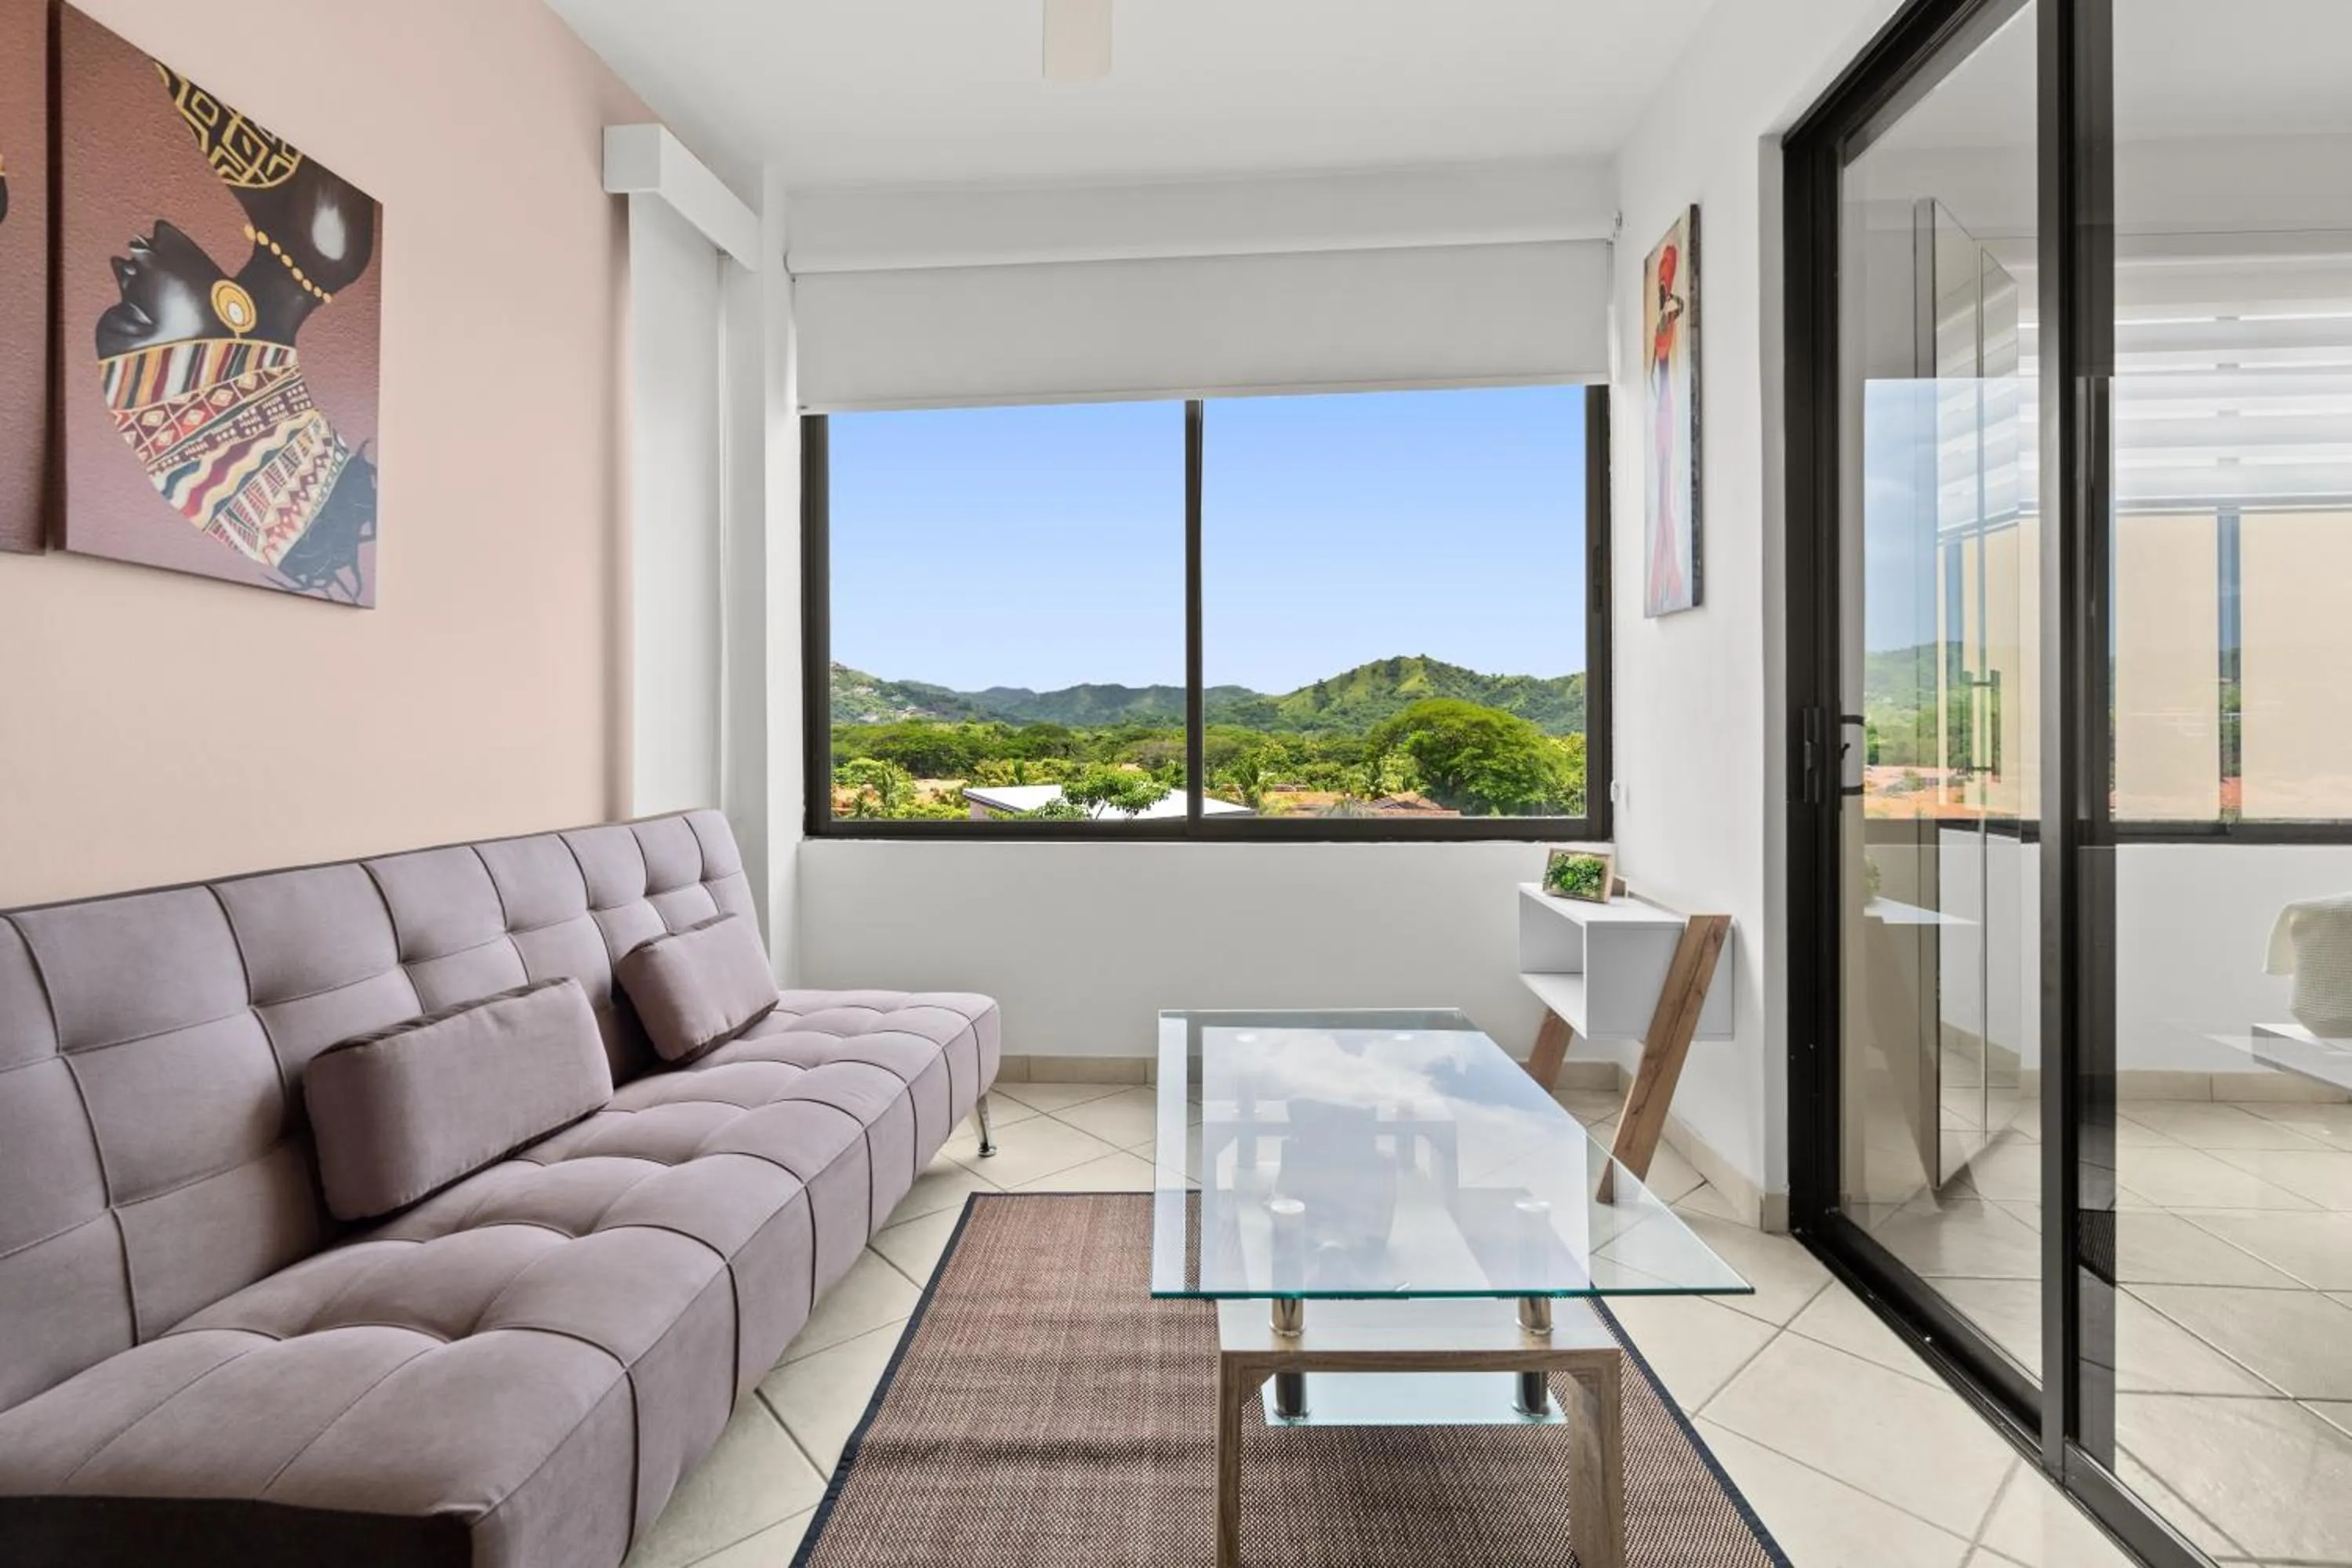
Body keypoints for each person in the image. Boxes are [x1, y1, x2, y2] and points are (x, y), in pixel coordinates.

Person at [95, 64, 377, 601]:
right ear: (232, 318)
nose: (120, 268)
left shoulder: (320, 246)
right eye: (140, 315)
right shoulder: (325, 228)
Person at [1647, 241, 1688, 613]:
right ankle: (1669, 573)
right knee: (1663, 489)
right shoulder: (1668, 311)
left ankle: (1669, 573)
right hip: (1664, 399)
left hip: (1665, 399)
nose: (1664, 279)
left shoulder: (1668, 310)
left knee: (1664, 488)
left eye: (1665, 272)